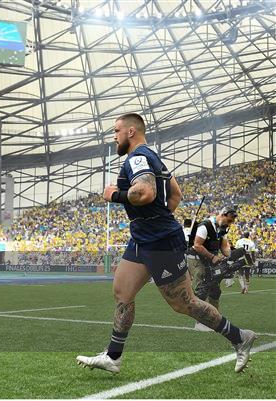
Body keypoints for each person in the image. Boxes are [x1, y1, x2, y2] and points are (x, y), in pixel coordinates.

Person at [76, 113, 256, 374]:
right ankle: (113, 356)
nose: (113, 136)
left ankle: (240, 337)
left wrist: (114, 194)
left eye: (116, 131)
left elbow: (146, 192)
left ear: (130, 132)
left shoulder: (137, 158)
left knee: (184, 303)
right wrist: (156, 218)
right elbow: (176, 195)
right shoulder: (153, 156)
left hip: (159, 241)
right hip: (143, 237)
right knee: (122, 292)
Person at [189, 207, 237, 331]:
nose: (229, 223)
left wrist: (231, 256)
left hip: (211, 259)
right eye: (229, 220)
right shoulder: (205, 226)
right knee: (202, 288)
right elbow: (197, 245)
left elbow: (224, 247)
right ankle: (200, 322)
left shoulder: (222, 229)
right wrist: (212, 257)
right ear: (222, 215)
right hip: (197, 259)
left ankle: (215, 320)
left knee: (215, 290)